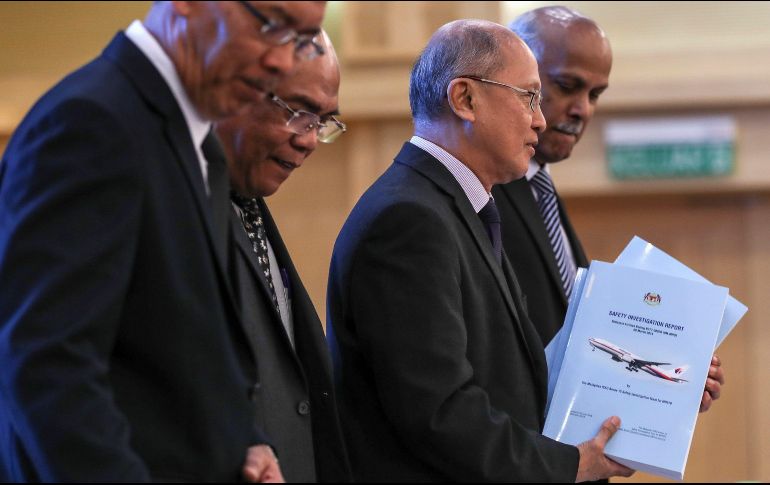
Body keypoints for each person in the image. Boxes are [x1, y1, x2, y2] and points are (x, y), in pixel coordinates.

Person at [0, 1, 326, 481]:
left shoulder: (202, 149)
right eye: (270, 25)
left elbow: (183, 345)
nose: (282, 62)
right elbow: (48, 372)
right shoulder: (90, 122)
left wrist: (243, 442)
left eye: (299, 40)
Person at [326, 19, 634, 482]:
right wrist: (567, 466)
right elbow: (439, 411)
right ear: (465, 98)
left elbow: (514, 377)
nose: (541, 118)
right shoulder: (409, 220)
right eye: (528, 96)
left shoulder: (456, 208)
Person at [490, 6, 724, 413]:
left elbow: (571, 350)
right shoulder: (484, 195)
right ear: (518, 79)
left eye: (595, 94)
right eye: (567, 86)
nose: (583, 109)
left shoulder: (540, 191)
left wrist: (673, 389)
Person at [214, 30, 351, 483]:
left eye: (323, 121)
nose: (309, 140)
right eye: (299, 114)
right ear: (236, 93)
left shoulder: (250, 206)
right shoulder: (176, 212)